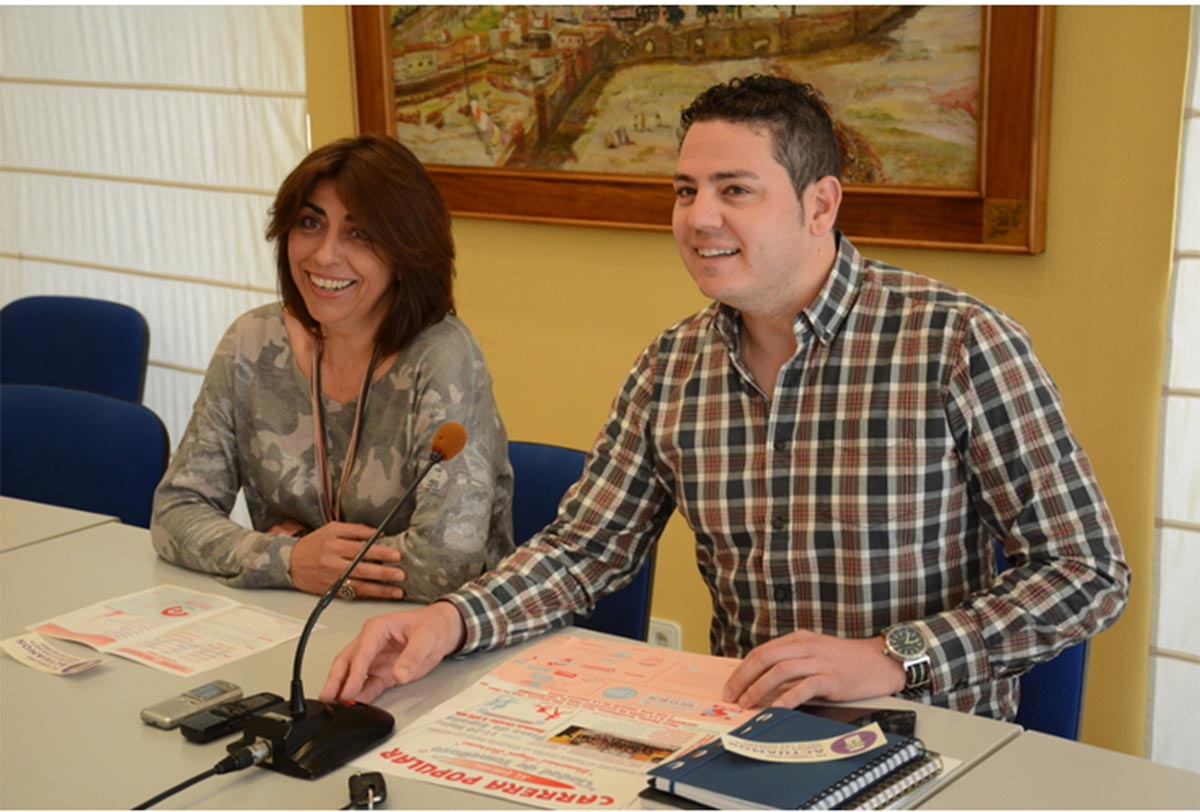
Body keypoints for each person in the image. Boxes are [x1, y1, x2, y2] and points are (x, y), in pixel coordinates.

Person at [320, 76, 1129, 719]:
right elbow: (583, 550)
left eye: (734, 190)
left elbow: (1086, 569)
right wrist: (450, 620)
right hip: (748, 731)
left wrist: (893, 655)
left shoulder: (956, 342)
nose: (698, 218)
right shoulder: (672, 366)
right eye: (684, 190)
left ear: (821, 205)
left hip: (929, 734)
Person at [152, 134, 513, 604]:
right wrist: (287, 559)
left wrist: (301, 551)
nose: (324, 255)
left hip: (430, 642)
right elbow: (174, 514)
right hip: (286, 621)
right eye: (309, 223)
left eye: (358, 233)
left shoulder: (442, 357)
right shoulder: (253, 343)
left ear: (407, 253)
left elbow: (447, 564)